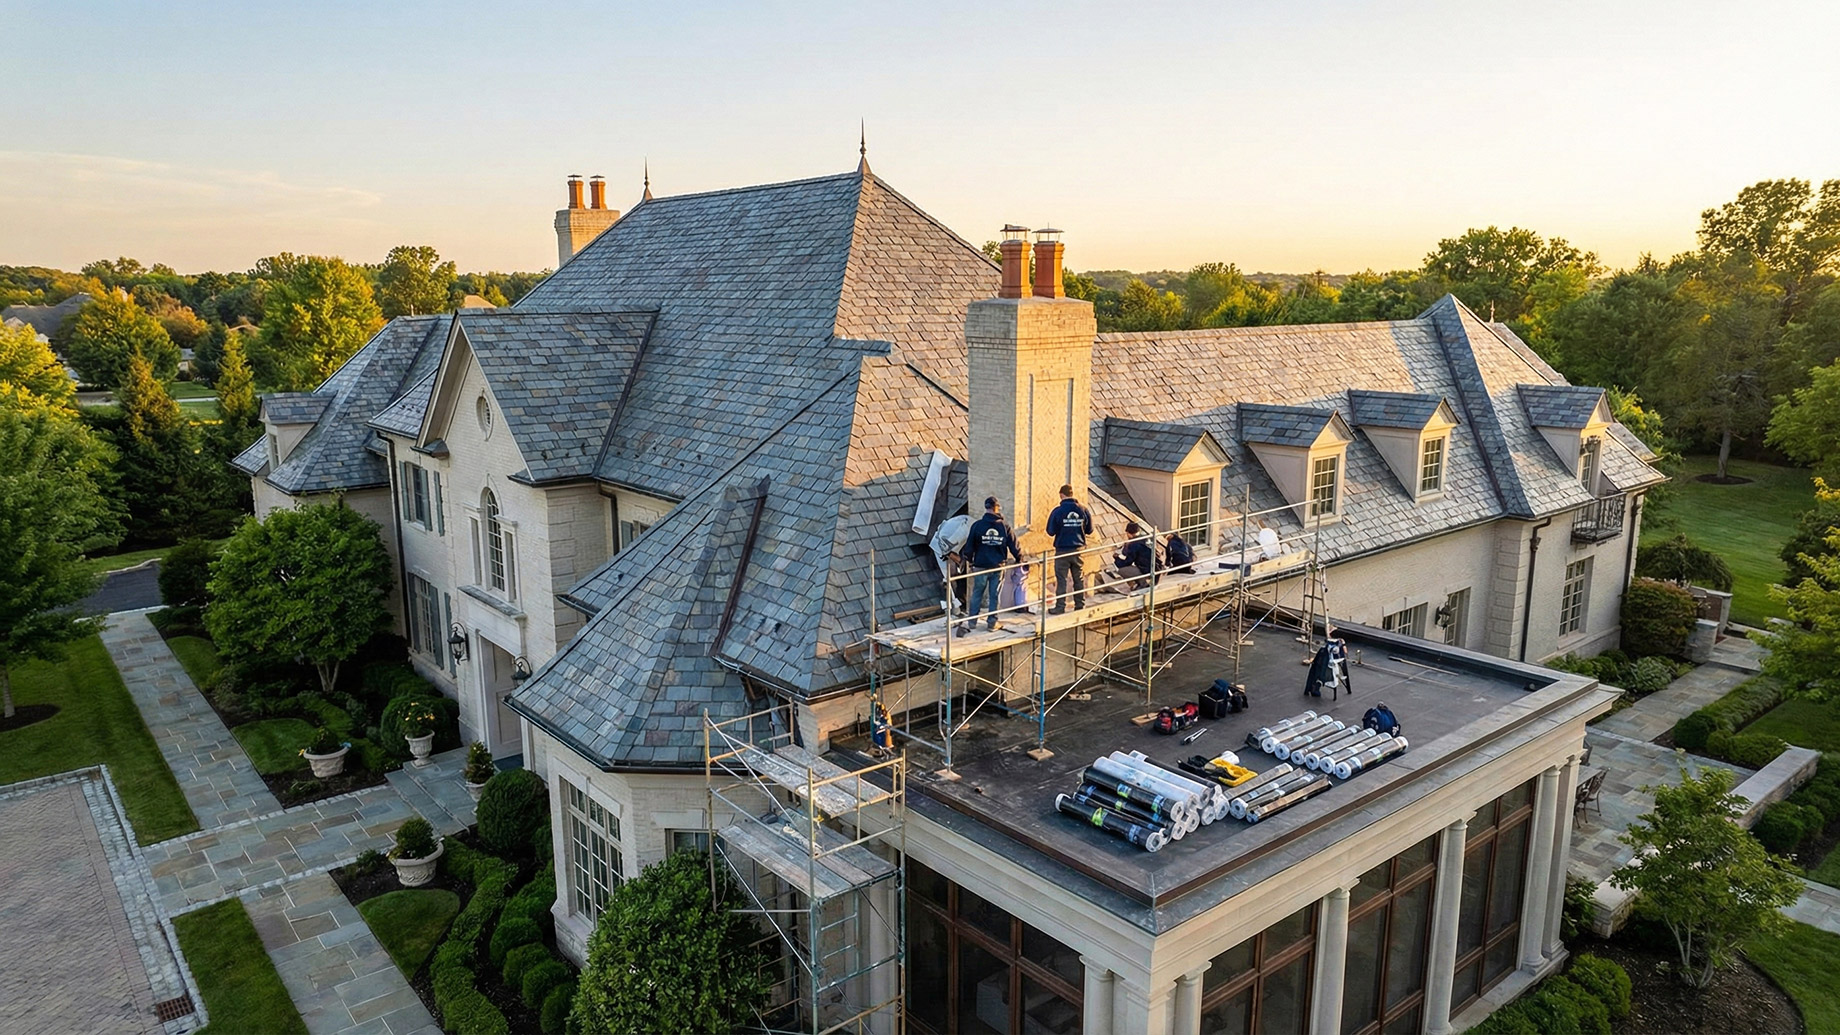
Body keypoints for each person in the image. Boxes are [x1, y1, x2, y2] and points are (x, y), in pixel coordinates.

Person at [957, 496, 1022, 636]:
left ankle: (972, 622)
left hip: (980, 566)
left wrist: (969, 561)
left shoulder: (977, 526)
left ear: (986, 508)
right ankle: (992, 623)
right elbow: (1014, 545)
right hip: (997, 567)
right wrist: (1019, 559)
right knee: (994, 595)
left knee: (977, 593)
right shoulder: (1004, 527)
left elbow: (969, 548)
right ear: (997, 508)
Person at [1047, 484, 1093, 615]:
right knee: (1078, 578)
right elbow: (1090, 530)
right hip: (1078, 550)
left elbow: (1050, 531)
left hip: (1062, 550)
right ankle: (1080, 605)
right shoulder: (1083, 510)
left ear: (1061, 495)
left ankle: (1060, 607)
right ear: (1072, 494)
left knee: (1061, 579)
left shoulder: (1057, 511)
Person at [929, 506, 972, 615]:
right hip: (941, 548)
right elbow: (946, 550)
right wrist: (959, 560)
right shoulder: (964, 531)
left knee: (959, 578)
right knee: (948, 581)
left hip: (947, 545)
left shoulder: (969, 526)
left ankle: (960, 606)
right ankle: (955, 611)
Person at [1112, 521, 1156, 592]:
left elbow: (1126, 563)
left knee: (1122, 571)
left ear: (1129, 533)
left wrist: (1116, 558)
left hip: (1146, 570)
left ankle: (1143, 583)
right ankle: (1141, 582)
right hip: (1155, 567)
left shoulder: (1134, 544)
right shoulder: (1146, 537)